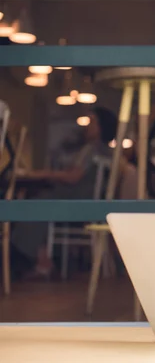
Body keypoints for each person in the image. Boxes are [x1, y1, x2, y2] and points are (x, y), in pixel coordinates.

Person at [12, 106, 118, 278]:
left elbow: (73, 177)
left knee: (35, 204)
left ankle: (32, 259)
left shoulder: (91, 149)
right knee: (40, 200)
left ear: (100, 127)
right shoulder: (107, 152)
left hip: (77, 203)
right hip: (91, 204)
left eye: (91, 122)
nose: (87, 126)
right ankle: (39, 258)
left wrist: (45, 173)